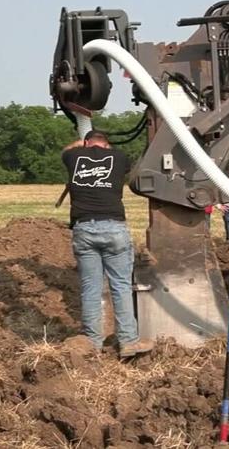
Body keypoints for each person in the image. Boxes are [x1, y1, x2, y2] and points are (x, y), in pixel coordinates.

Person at [61, 130, 153, 357]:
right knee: (120, 286)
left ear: (85, 143)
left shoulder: (73, 157)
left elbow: (66, 151)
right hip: (113, 227)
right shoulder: (119, 157)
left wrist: (79, 145)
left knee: (91, 288)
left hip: (83, 228)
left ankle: (93, 343)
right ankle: (128, 342)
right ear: (107, 145)